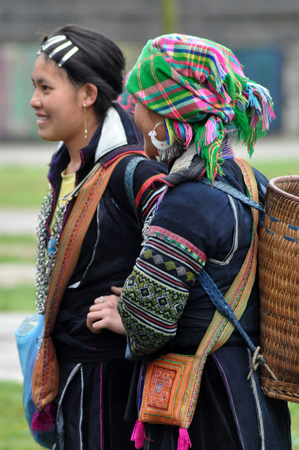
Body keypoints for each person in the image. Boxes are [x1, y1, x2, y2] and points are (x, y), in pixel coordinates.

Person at [108, 34, 291, 449]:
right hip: (251, 394)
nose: (132, 111)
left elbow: (147, 325)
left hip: (204, 408)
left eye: (139, 101)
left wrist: (127, 314)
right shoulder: (249, 179)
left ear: (170, 113)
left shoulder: (186, 203)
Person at [29, 24, 167, 450]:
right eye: (34, 87)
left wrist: (137, 312)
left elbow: (190, 258)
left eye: (46, 88)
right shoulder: (66, 171)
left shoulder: (134, 173)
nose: (34, 100)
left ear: (88, 95)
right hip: (68, 377)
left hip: (113, 388)